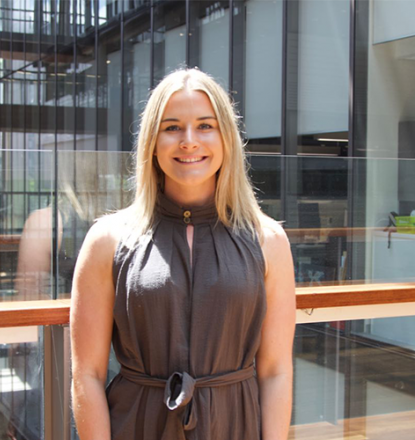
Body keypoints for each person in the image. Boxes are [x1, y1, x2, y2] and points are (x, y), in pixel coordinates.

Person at [70, 68, 296, 440]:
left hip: (234, 427)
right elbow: (87, 374)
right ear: (152, 142)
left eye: (205, 125)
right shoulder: (106, 241)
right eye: (172, 127)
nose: (189, 141)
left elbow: (276, 371)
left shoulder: (268, 241)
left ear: (226, 138)